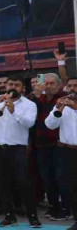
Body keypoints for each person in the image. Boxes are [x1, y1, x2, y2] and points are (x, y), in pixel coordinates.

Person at [0, 78, 40, 228]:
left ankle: (32, 216)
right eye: (10, 85)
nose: (13, 87)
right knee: (2, 183)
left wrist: (13, 111)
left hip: (16, 148)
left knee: (23, 182)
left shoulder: (29, 105)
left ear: (23, 88)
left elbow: (30, 123)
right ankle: (9, 216)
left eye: (16, 85)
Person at [34, 73, 69, 220]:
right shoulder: (39, 99)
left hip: (59, 145)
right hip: (41, 145)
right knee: (47, 178)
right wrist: (37, 95)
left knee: (61, 177)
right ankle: (54, 206)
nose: (48, 86)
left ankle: (66, 207)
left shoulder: (63, 99)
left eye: (52, 83)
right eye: (46, 83)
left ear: (59, 85)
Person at [44, 79, 77, 230]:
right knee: (71, 187)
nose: (72, 89)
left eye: (75, 86)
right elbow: (50, 125)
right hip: (67, 151)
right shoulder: (63, 104)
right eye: (69, 86)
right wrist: (58, 108)